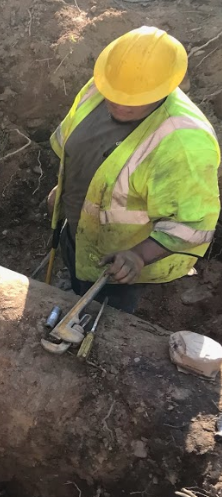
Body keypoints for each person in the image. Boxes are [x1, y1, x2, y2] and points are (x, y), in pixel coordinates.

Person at [47, 26, 220, 313]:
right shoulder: (99, 88)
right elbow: (73, 145)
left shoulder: (184, 144)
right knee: (79, 285)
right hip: (81, 235)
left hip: (126, 269)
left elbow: (192, 224)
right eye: (114, 92)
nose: (119, 101)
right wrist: (62, 189)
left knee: (104, 322)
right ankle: (77, 287)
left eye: (135, 97)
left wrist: (139, 256)